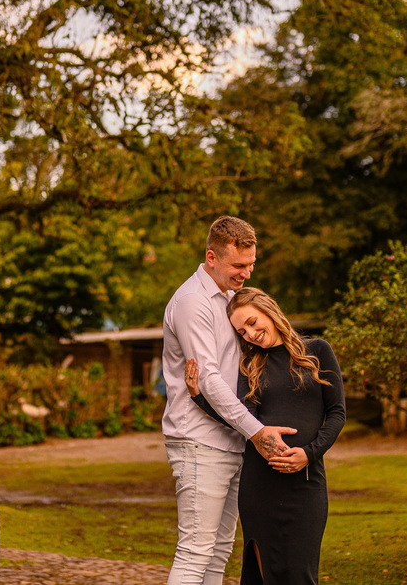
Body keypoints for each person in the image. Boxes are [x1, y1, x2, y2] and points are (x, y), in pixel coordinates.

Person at [162, 217, 298, 585]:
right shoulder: (192, 301)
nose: (246, 274)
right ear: (211, 256)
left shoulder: (227, 299)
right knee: (195, 552)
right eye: (239, 266)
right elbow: (208, 379)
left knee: (219, 551)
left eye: (251, 264)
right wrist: (258, 432)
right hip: (199, 443)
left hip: (230, 442)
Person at [185, 287, 345, 585]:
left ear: (269, 311)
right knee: (262, 576)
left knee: (301, 575)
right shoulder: (251, 366)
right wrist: (199, 398)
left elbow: (337, 414)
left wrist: (308, 454)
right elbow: (242, 420)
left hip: (305, 484)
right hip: (260, 487)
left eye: (253, 322)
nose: (250, 334)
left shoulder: (318, 351)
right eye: (242, 331)